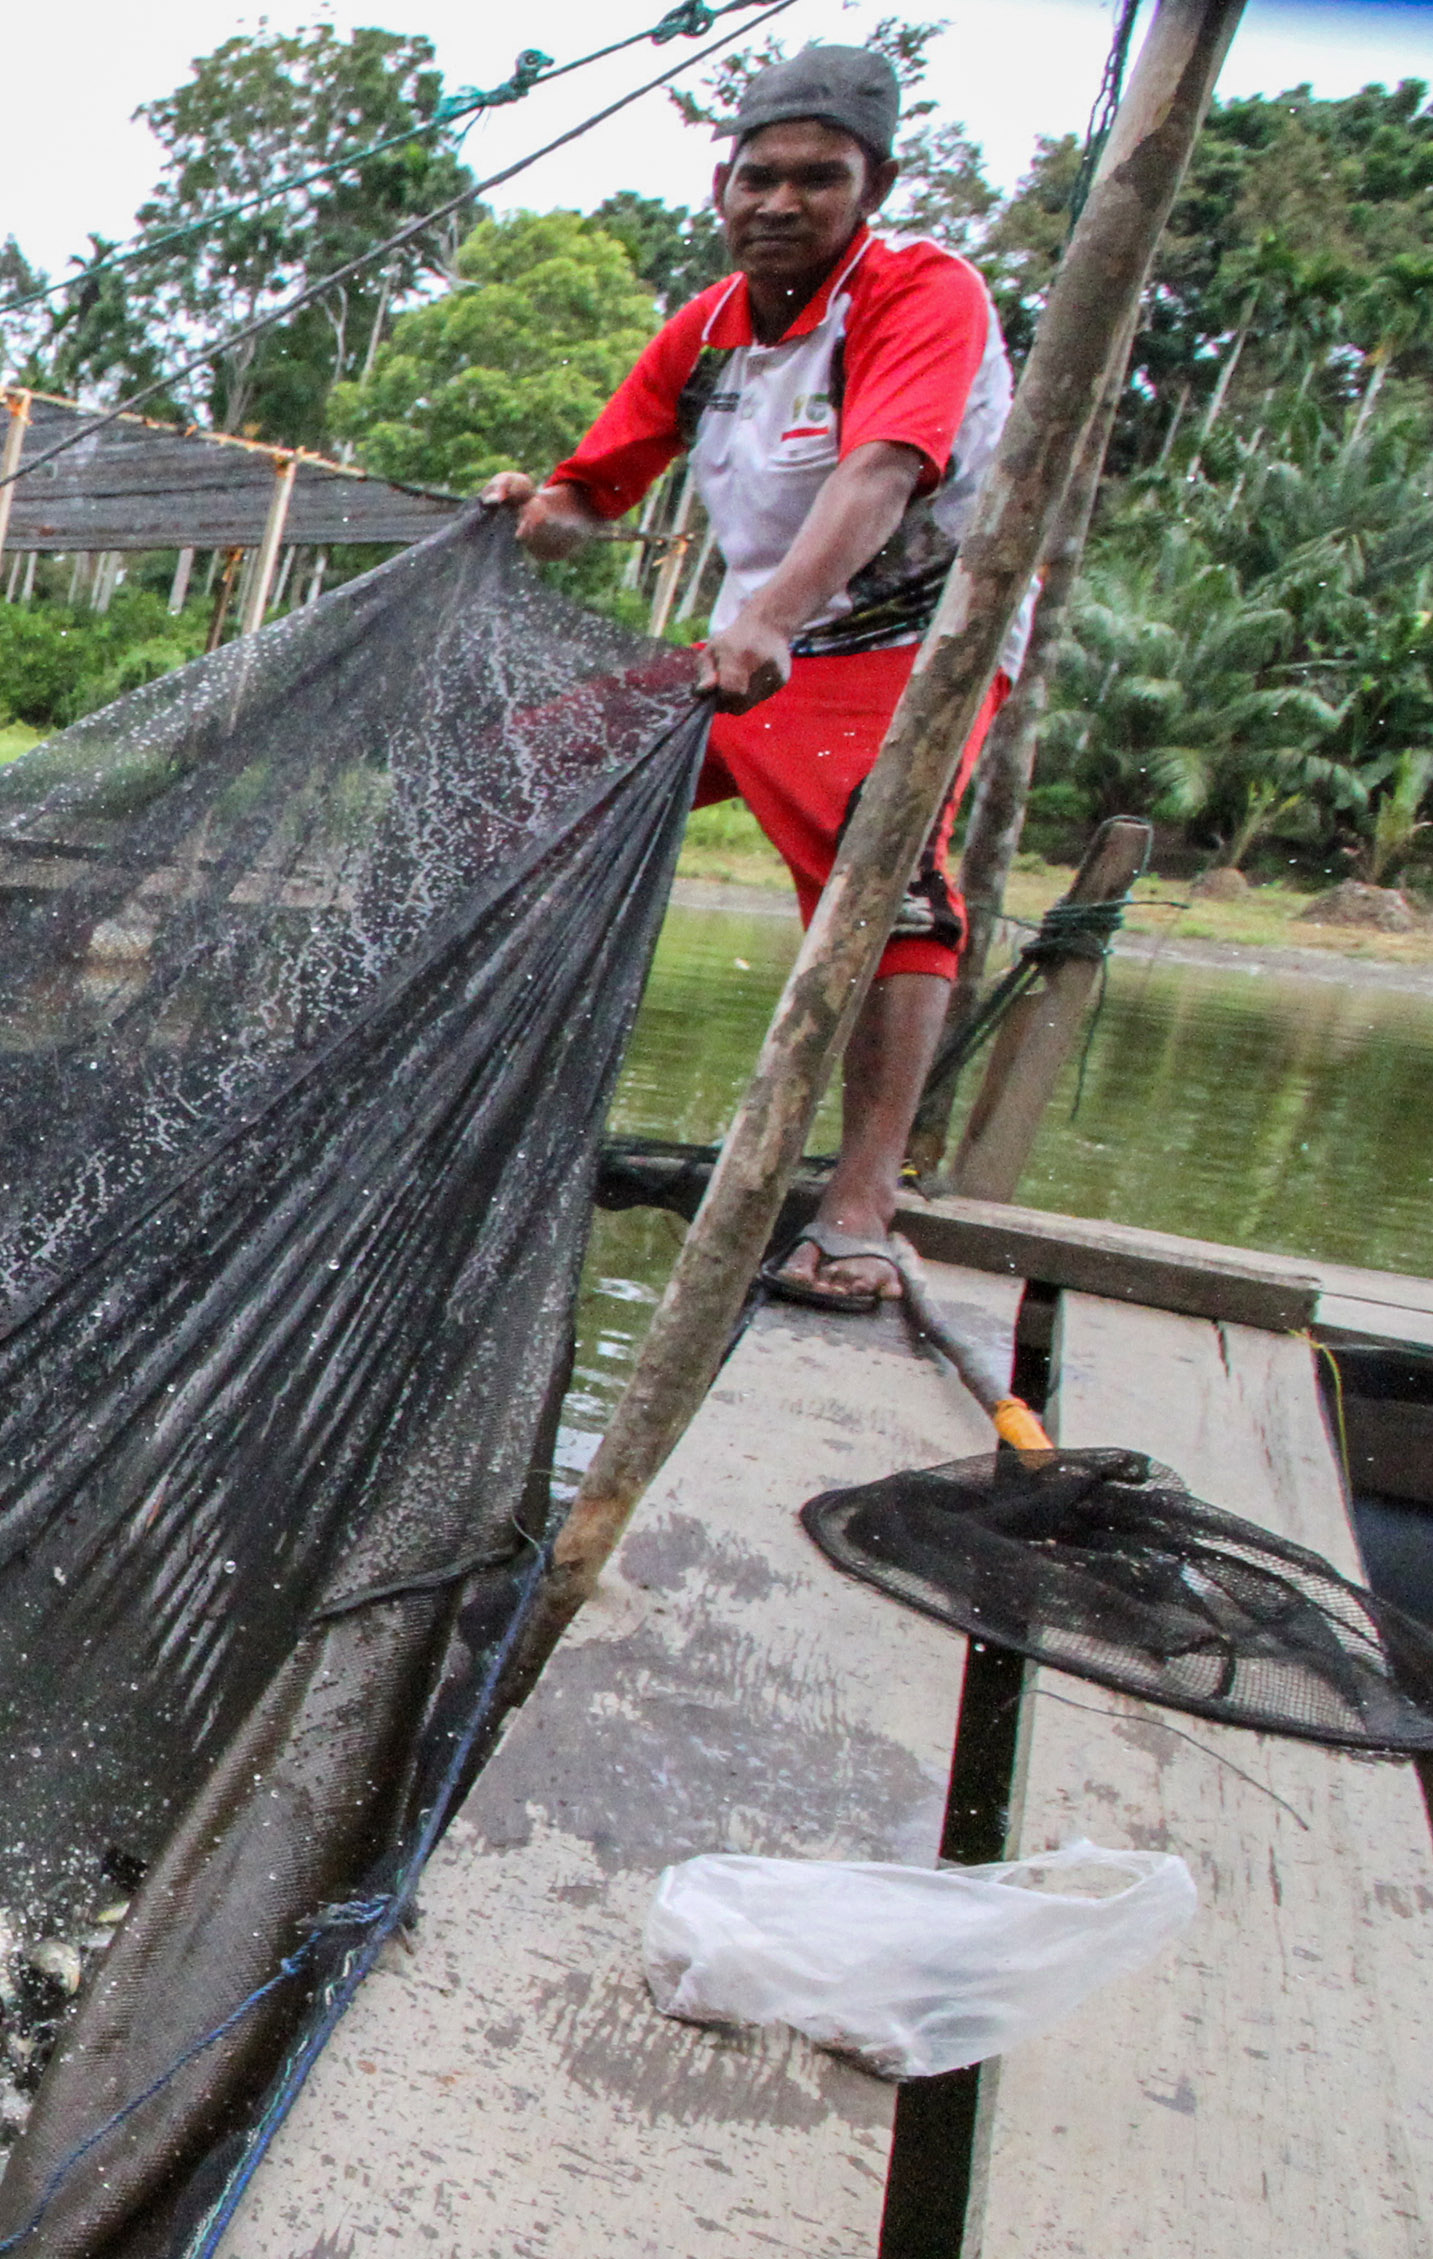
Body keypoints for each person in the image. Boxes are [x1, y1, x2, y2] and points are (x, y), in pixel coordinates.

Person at [483, 42, 1016, 1309]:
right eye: (755, 178)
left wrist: (774, 618)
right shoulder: (710, 329)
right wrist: (537, 508)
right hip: (751, 642)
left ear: (870, 186)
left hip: (904, 642)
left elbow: (879, 471)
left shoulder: (916, 293)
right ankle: (490, 1064)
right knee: (525, 761)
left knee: (882, 890)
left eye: (815, 180)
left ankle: (859, 1207)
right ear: (721, 186)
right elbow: (591, 490)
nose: (779, 204)